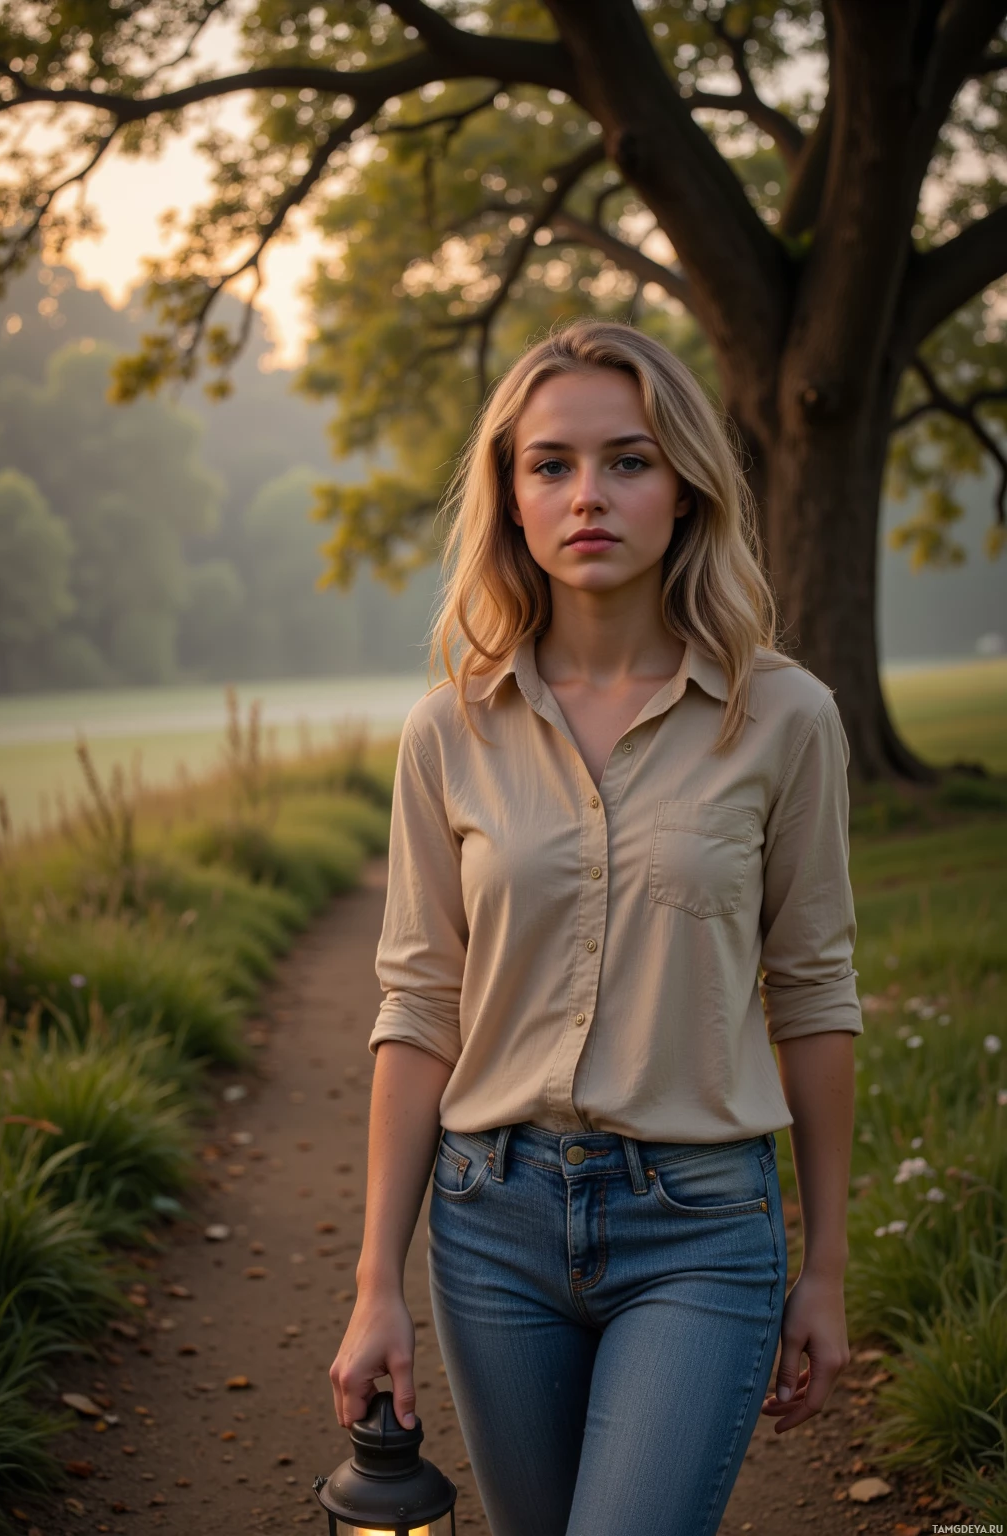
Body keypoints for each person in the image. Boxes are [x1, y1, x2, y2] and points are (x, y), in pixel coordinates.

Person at [329, 319, 861, 1536]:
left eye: (628, 460)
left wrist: (824, 1266)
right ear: (511, 500)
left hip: (700, 1227)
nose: (588, 495)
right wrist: (376, 1285)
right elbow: (417, 1008)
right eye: (550, 465)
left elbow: (816, 993)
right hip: (489, 1226)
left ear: (684, 489)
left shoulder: (783, 718)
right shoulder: (446, 731)